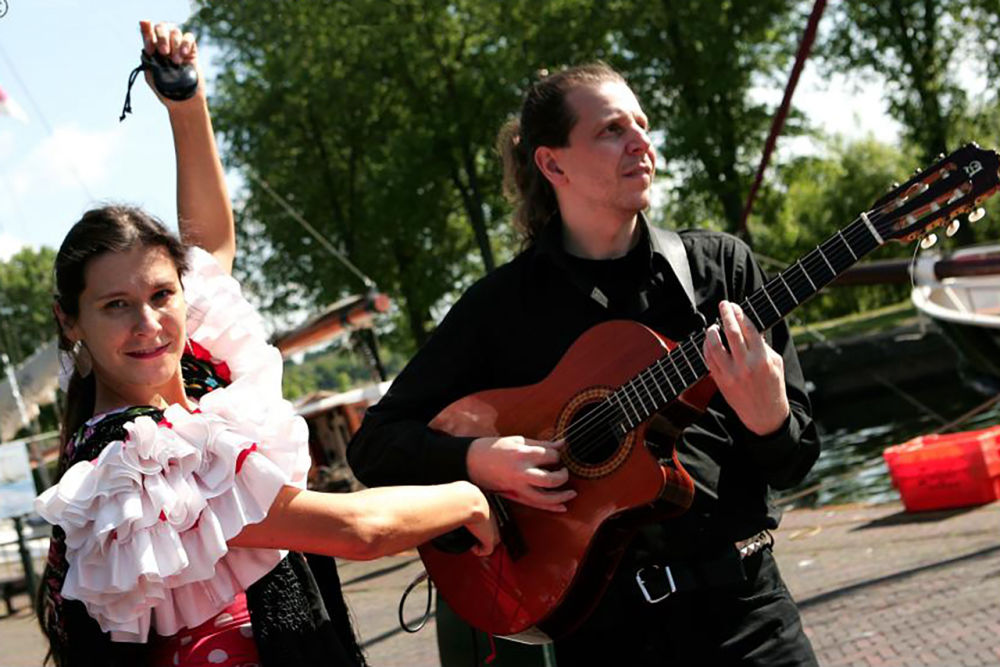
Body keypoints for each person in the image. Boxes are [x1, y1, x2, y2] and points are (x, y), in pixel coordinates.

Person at [34, 21, 497, 667]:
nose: (149, 322)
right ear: (70, 321)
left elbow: (212, 246)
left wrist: (186, 100)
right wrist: (472, 493)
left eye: (162, 295)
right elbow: (355, 530)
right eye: (115, 305)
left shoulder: (191, 385)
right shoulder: (137, 458)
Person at [347, 63, 820, 665]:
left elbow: (795, 460)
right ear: (552, 164)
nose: (641, 143)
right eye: (612, 130)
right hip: (601, 636)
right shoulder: (499, 308)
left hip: (749, 618)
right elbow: (375, 447)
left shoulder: (720, 272)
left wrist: (769, 418)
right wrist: (477, 460)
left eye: (642, 125)